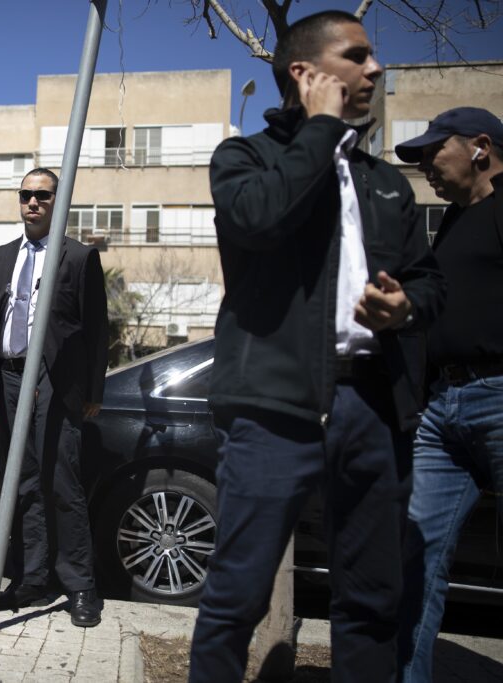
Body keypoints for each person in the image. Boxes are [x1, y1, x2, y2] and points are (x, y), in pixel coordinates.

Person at [187, 11, 446, 682]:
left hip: (373, 405)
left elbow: (429, 280)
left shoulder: (386, 182)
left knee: (372, 601)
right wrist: (322, 129)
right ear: (305, 72)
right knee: (236, 597)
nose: (376, 68)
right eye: (356, 56)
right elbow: (258, 219)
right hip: (274, 405)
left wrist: (407, 306)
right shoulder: (244, 158)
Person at [393, 107, 503, 683]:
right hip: (442, 408)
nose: (426, 167)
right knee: (417, 556)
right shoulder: (457, 218)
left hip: (498, 396)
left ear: (481, 146)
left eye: (435, 152)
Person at [0, 168, 108, 627]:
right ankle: (30, 579)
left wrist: (92, 390)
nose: (32, 202)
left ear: (59, 200)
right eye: (26, 194)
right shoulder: (1, 257)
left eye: (42, 195)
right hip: (9, 379)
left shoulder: (78, 257)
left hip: (55, 381)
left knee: (61, 482)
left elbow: (96, 328)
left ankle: (80, 587)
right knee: (21, 482)